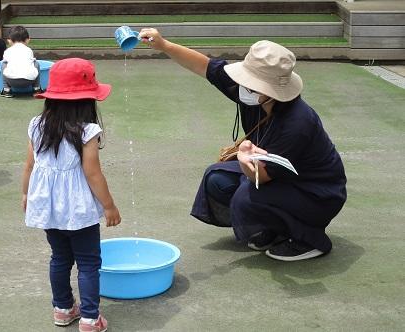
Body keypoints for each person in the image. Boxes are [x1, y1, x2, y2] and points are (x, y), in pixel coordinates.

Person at [139, 28, 347, 262]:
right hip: (280, 177)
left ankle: (310, 240)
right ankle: (275, 228)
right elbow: (204, 67)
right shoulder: (253, 93)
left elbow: (262, 177)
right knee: (217, 178)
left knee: (247, 197)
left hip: (317, 193)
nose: (242, 86)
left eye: (249, 84)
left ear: (269, 91)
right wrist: (164, 44)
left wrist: (243, 158)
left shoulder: (297, 123)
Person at [21, 58, 121, 331]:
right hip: (78, 210)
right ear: (88, 100)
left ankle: (63, 309)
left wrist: (26, 195)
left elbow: (29, 165)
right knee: (88, 262)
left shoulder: (36, 125)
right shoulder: (87, 130)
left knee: (60, 258)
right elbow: (93, 174)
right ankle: (90, 318)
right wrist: (109, 206)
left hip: (48, 207)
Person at [0, 25, 41, 98]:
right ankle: (37, 89)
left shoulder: (7, 51)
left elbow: (5, 63)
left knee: (3, 64)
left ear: (9, 41)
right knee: (36, 63)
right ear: (28, 40)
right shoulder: (29, 50)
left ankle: (6, 90)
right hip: (29, 81)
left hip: (11, 80)